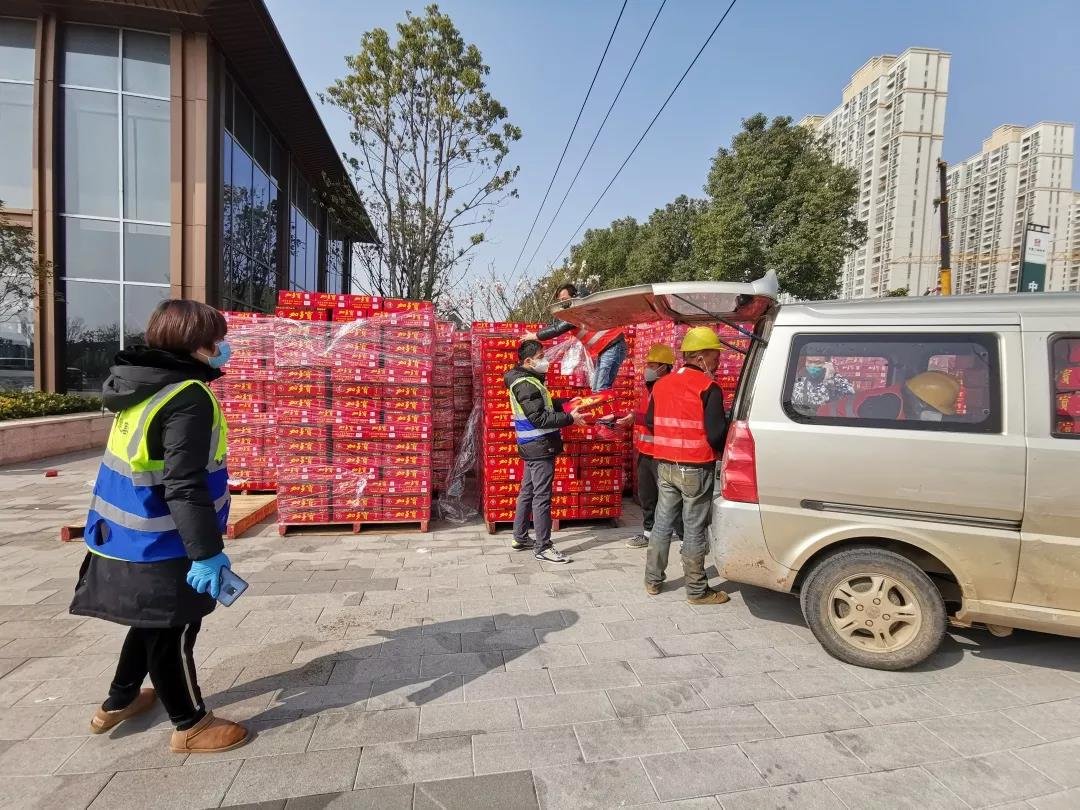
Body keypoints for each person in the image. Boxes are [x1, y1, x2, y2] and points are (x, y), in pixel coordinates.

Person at [70, 299, 249, 754]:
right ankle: (190, 723)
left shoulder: (137, 386)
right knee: (175, 630)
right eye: (217, 340)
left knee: (148, 624)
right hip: (164, 540)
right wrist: (206, 552)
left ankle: (119, 700)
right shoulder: (187, 396)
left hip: (119, 534)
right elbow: (184, 484)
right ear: (199, 345)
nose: (222, 347)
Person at [643, 327, 730, 605]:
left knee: (662, 522)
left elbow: (650, 421)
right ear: (702, 355)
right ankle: (697, 590)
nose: (718, 361)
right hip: (695, 467)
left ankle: (652, 580)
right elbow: (717, 434)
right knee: (694, 527)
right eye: (716, 355)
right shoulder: (709, 387)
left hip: (665, 465)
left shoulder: (661, 384)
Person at [505, 338, 586, 564]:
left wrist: (567, 402)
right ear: (529, 361)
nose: (546, 361)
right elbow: (539, 417)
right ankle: (543, 546)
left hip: (531, 445)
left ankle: (520, 537)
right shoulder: (526, 384)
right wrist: (570, 418)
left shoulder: (527, 380)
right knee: (542, 497)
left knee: (527, 491)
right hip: (539, 445)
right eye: (542, 357)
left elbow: (544, 404)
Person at [619, 344, 685, 549]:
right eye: (648, 364)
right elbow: (644, 413)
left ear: (664, 367)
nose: (648, 368)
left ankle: (683, 536)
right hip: (646, 452)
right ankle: (648, 532)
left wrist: (634, 418)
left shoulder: (670, 388)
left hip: (663, 453)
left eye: (652, 364)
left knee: (670, 496)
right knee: (647, 495)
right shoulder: (648, 388)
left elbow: (659, 418)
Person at [523, 283, 628, 392]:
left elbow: (557, 329)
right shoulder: (576, 311)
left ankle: (604, 408)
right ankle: (600, 408)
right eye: (560, 301)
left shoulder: (577, 312)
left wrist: (535, 335)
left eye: (564, 299)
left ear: (574, 297)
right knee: (597, 389)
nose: (562, 304)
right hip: (608, 348)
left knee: (601, 388)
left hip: (613, 346)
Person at [817, 370, 961, 421]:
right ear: (920, 403)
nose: (932, 415)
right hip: (821, 424)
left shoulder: (899, 398)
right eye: (933, 409)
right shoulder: (887, 406)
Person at [790, 359, 855, 414]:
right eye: (809, 362)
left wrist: (830, 376)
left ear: (827, 364)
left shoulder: (837, 380)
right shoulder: (799, 382)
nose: (813, 366)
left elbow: (852, 395)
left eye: (818, 363)